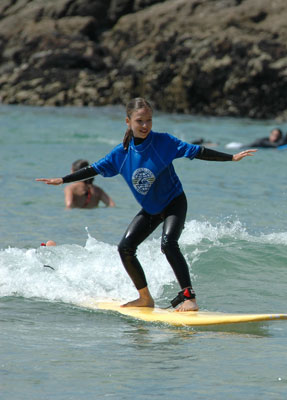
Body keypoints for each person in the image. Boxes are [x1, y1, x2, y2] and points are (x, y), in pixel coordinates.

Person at [37, 97, 257, 312]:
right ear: (128, 122)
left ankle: (189, 298)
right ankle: (144, 298)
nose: (145, 126)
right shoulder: (120, 154)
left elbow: (197, 151)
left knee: (169, 244)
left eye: (149, 120)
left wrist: (231, 158)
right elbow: (93, 169)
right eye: (140, 121)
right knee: (125, 248)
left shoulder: (164, 142)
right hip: (151, 210)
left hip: (173, 202)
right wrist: (63, 180)